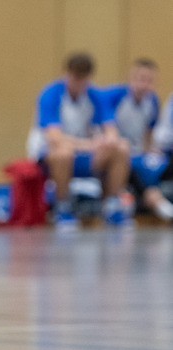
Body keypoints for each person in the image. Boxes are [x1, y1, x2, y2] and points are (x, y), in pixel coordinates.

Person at [28, 52, 131, 224]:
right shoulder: (51, 94)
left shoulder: (94, 95)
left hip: (83, 156)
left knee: (121, 148)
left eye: (83, 79)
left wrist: (109, 140)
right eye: (76, 78)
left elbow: (111, 130)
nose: (79, 83)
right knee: (63, 152)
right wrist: (90, 144)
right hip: (50, 157)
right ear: (66, 74)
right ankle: (62, 207)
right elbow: (55, 138)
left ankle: (112, 205)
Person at [101, 59, 173, 222]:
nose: (144, 84)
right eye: (141, 79)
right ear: (131, 78)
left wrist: (150, 152)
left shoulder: (152, 101)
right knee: (123, 152)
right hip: (115, 150)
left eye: (149, 81)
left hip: (137, 152)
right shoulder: (114, 96)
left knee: (157, 163)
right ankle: (151, 198)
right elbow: (108, 129)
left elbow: (148, 133)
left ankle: (151, 197)